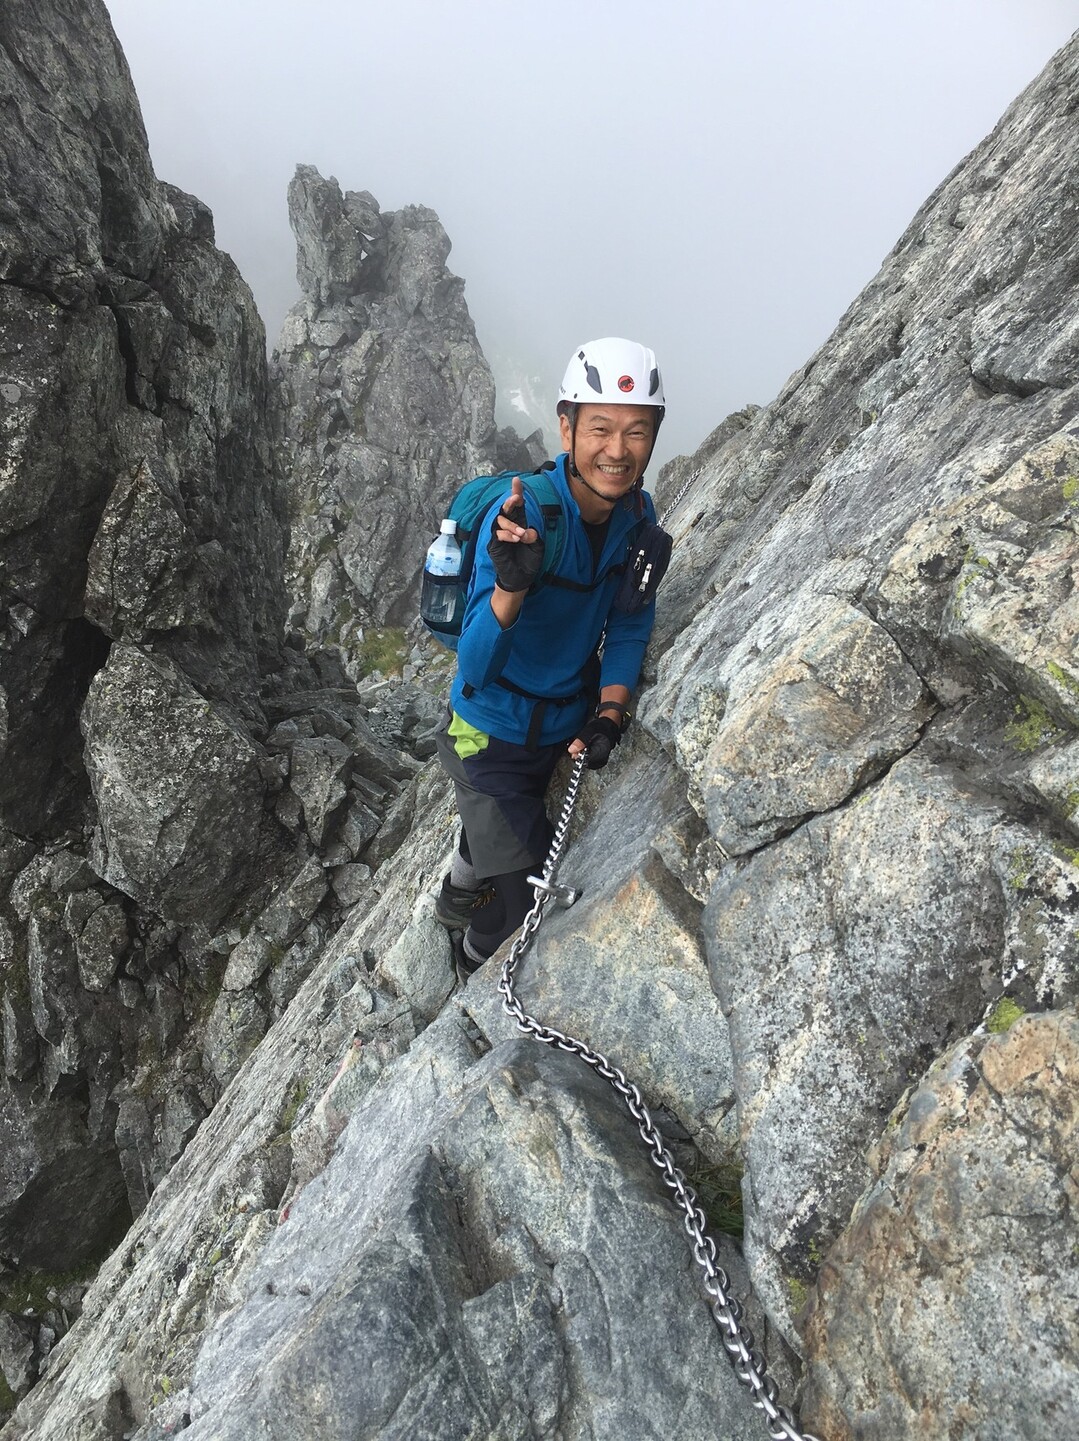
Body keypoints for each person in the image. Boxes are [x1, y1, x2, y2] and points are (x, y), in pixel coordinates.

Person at [434, 337, 666, 973]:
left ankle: (464, 873)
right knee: (517, 913)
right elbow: (475, 668)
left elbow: (628, 621)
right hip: (489, 740)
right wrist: (511, 586)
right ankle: (470, 970)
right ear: (566, 427)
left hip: (563, 727)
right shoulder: (523, 516)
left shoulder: (635, 520)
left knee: (507, 840)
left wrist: (611, 711)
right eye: (599, 429)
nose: (617, 451)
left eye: (636, 432)